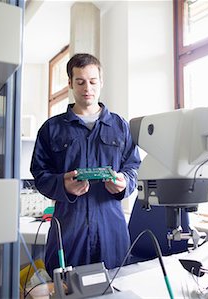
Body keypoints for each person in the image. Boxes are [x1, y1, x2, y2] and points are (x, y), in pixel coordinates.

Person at [30, 53, 141, 276]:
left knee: (115, 287)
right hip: (69, 228)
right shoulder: (52, 129)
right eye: (80, 82)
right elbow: (40, 174)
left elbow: (133, 167)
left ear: (101, 82)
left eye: (92, 81)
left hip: (111, 228)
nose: (87, 88)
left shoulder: (119, 126)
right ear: (70, 83)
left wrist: (124, 183)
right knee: (66, 289)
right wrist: (62, 184)